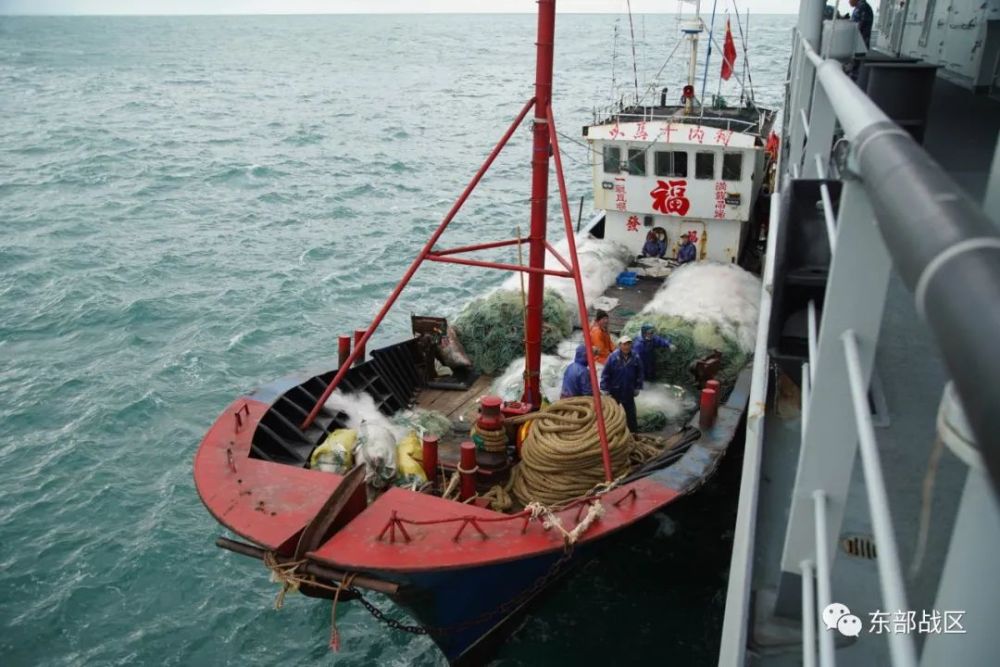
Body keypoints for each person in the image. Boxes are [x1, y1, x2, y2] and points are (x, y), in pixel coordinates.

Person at [600, 335, 644, 433]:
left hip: (629, 390)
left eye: (629, 344)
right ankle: (612, 433)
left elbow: (640, 373)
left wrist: (638, 387)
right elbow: (605, 374)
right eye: (624, 344)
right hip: (615, 390)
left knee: (631, 415)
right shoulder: (612, 357)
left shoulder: (635, 357)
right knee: (612, 413)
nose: (627, 347)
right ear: (620, 345)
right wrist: (604, 389)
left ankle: (633, 433)